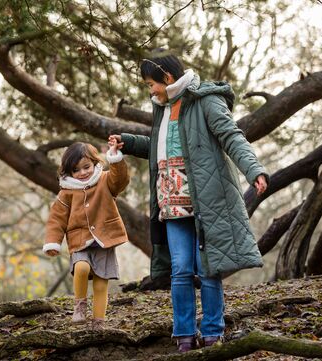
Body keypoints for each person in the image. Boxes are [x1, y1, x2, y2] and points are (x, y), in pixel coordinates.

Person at [109, 52, 268, 352]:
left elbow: (232, 137)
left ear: (167, 79)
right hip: (170, 204)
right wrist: (128, 142)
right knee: (180, 269)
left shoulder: (205, 100)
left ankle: (212, 332)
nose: (150, 90)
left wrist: (254, 169)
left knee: (207, 267)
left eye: (151, 84)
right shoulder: (162, 108)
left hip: (205, 201)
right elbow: (160, 148)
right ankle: (184, 335)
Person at [43, 140, 129, 329]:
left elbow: (120, 180)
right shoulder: (66, 193)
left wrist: (115, 160)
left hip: (104, 240)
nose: (82, 173)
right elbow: (56, 219)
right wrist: (52, 242)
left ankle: (99, 322)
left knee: (100, 285)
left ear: (94, 163)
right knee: (81, 268)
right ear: (69, 172)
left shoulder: (105, 180)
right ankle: (79, 307)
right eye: (76, 170)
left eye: (86, 167)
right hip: (79, 241)